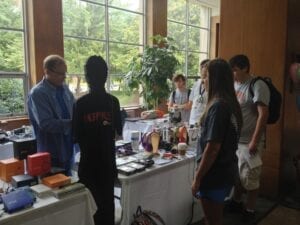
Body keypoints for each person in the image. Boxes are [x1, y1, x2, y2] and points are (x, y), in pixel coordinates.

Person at [191, 58, 243, 225]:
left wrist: (198, 178)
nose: (202, 81)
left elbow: (212, 148)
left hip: (214, 174)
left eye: (205, 77)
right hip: (225, 170)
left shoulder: (218, 106)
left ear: (215, 80)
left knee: (212, 221)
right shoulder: (229, 103)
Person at [72, 55, 122, 225]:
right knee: (108, 209)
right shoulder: (113, 102)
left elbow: (75, 136)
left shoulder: (80, 104)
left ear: (86, 77)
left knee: (90, 213)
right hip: (108, 164)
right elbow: (118, 133)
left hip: (88, 167)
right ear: (106, 75)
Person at [227, 54, 270, 222]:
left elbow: (263, 115)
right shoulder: (234, 84)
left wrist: (254, 140)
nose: (233, 74)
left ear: (245, 68)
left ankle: (250, 209)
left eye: (235, 70)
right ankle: (237, 202)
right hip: (235, 140)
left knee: (250, 177)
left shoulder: (257, 85)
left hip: (250, 141)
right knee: (237, 175)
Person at [27, 54, 75, 175]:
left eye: (65, 73)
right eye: (60, 73)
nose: (64, 77)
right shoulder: (38, 93)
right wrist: (73, 123)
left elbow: (75, 108)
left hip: (68, 149)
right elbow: (45, 123)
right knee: (52, 190)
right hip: (50, 153)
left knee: (68, 188)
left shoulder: (65, 89)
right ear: (47, 71)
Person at [188, 59, 210, 126]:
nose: (202, 71)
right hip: (192, 120)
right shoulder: (196, 84)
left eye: (206, 72)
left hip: (204, 121)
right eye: (201, 68)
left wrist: (207, 88)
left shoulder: (213, 85)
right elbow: (191, 102)